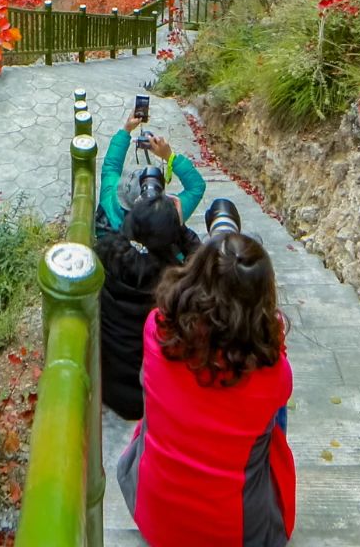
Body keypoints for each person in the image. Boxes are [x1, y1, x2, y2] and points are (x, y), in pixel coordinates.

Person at [117, 233, 295, 547]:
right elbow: (266, 366)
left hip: (156, 517)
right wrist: (273, 339)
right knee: (273, 413)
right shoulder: (273, 374)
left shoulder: (156, 328)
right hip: (239, 535)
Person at [96, 191, 198, 419]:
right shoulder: (174, 284)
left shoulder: (104, 254)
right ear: (169, 240)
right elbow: (203, 266)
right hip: (149, 395)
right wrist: (181, 230)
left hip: (107, 385)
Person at [98, 111, 206, 235]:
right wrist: (169, 156)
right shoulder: (170, 217)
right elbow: (196, 186)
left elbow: (111, 166)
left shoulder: (108, 200)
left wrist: (126, 129)